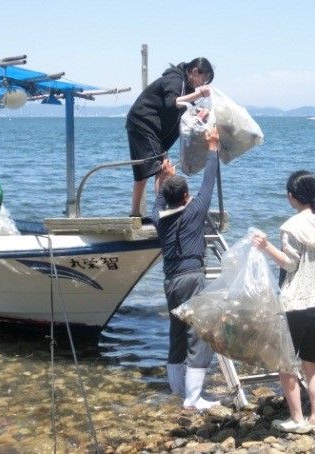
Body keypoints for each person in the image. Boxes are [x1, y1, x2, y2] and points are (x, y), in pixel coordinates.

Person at [252, 170, 315, 435]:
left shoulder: (291, 226)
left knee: (285, 363)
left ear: (290, 196)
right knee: (313, 364)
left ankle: (297, 418)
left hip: (296, 303)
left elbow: (290, 264)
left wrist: (265, 246)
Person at [152, 127, 220, 411]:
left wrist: (163, 176)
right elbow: (209, 181)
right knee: (198, 337)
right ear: (185, 197)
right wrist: (213, 147)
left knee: (177, 333)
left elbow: (157, 199)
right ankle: (193, 398)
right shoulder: (195, 211)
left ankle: (177, 391)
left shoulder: (159, 219)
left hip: (170, 281)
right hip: (192, 278)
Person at [127, 57, 214, 222]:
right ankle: (163, 213)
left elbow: (189, 108)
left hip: (146, 126)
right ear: (195, 71)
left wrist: (202, 111)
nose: (201, 84)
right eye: (203, 79)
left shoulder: (186, 87)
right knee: (162, 167)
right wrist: (201, 93)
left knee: (142, 173)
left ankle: (135, 214)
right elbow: (171, 103)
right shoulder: (174, 79)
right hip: (143, 123)